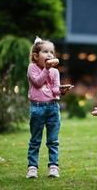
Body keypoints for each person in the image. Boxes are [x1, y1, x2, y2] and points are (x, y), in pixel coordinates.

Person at [26, 36, 72, 179]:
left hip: (52, 107)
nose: (50, 55)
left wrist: (62, 91)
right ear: (35, 56)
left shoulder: (55, 71)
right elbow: (38, 83)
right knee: (35, 140)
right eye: (45, 52)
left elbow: (54, 90)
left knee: (53, 140)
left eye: (52, 52)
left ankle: (53, 166)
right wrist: (46, 69)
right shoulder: (32, 68)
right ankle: (32, 167)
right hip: (37, 108)